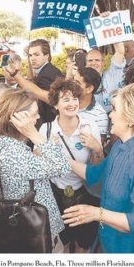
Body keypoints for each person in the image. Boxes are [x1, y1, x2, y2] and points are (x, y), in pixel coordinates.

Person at [62, 84, 134, 253]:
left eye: (114, 109)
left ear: (132, 118)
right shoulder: (120, 145)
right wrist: (58, 158)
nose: (110, 115)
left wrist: (96, 214)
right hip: (109, 243)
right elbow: (94, 174)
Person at [0, 88, 71, 252]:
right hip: (38, 229)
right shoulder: (13, 152)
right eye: (34, 114)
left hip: (22, 227)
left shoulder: (0, 143)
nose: (38, 118)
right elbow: (63, 166)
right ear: (18, 119)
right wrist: (36, 136)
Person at [39, 79, 103, 252]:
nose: (72, 103)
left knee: (83, 243)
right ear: (55, 104)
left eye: (75, 98)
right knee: (62, 242)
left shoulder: (90, 126)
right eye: (66, 99)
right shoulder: (46, 129)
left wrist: (96, 147)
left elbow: (98, 169)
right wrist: (46, 152)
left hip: (84, 193)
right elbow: (39, 167)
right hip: (56, 194)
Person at [85, 41, 125, 113]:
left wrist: (112, 32)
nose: (93, 63)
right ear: (86, 64)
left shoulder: (111, 75)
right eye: (90, 60)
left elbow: (120, 51)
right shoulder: (80, 81)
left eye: (97, 60)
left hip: (112, 118)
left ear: (103, 63)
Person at [73, 67, 109, 143]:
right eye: (73, 81)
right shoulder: (65, 105)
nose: (72, 85)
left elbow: (98, 147)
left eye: (77, 83)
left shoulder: (100, 116)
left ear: (89, 89)